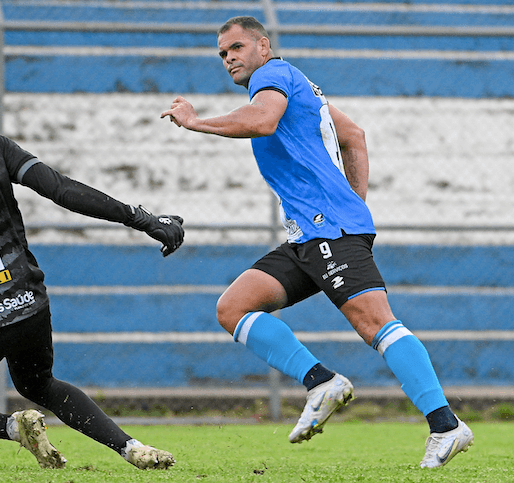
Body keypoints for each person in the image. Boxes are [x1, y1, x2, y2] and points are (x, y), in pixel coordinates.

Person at [160, 16, 473, 468]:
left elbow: (263, 122)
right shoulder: (299, 83)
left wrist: (195, 122)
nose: (229, 57)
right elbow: (354, 137)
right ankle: (320, 382)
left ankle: (445, 425)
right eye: (222, 53)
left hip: (328, 229)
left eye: (237, 47)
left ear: (263, 46)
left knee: (376, 325)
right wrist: (353, 204)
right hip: (313, 231)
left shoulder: (271, 77)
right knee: (233, 307)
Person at [0, 64, 183, 470]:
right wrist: (142, 219)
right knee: (39, 383)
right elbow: (62, 190)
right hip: (27, 303)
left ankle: (12, 427)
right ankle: (131, 448)